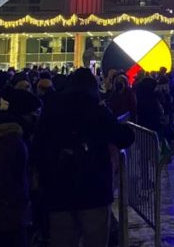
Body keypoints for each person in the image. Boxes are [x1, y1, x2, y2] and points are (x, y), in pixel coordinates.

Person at [32, 68, 134, 247]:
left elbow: (38, 145)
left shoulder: (53, 109)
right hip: (93, 187)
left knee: (63, 239)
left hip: (59, 188)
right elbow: (123, 137)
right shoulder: (96, 109)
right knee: (95, 238)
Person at [0, 88, 42, 247]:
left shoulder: (3, 134)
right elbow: (0, 177)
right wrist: (19, 199)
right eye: (33, 112)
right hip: (5, 213)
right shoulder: (8, 140)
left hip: (0, 212)